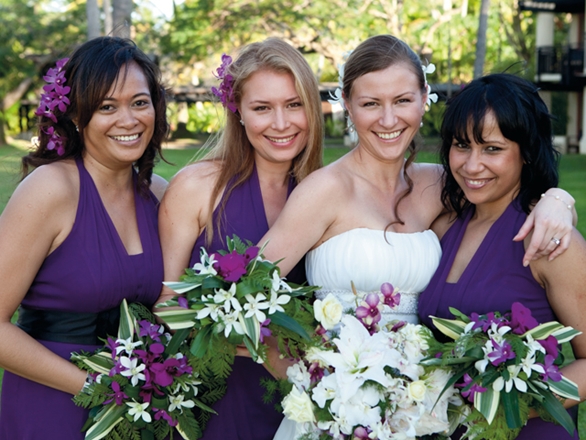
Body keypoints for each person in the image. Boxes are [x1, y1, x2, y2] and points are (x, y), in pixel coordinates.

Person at [260, 35, 575, 329]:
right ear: (347, 104)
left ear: (424, 98)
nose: (388, 120)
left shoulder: (442, 183)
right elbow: (241, 294)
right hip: (337, 379)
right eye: (371, 103)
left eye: (402, 100)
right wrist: (293, 364)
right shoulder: (323, 190)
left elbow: (508, 201)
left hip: (423, 384)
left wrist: (559, 201)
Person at [0, 37, 168, 438]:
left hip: (137, 414)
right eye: (107, 107)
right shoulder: (51, 190)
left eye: (139, 102)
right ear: (76, 115)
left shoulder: (160, 193)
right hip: (52, 407)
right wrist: (98, 389)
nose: (128, 120)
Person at [157, 38, 323, 439]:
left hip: (304, 405)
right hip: (220, 401)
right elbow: (164, 307)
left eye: (294, 104)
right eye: (262, 108)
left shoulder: (324, 191)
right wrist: (262, 349)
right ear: (239, 113)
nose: (281, 124)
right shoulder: (199, 187)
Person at [418, 73, 586, 439]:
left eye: (492, 149)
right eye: (462, 145)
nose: (471, 165)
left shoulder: (552, 243)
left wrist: (508, 410)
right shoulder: (443, 225)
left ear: (525, 152)